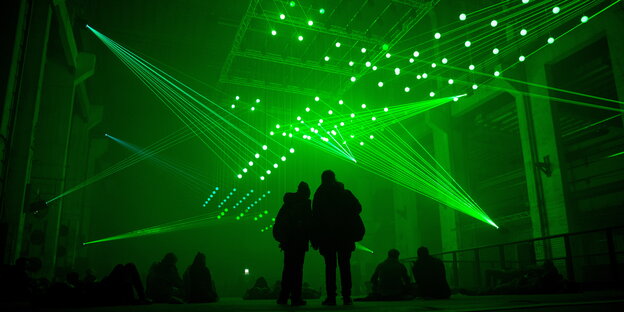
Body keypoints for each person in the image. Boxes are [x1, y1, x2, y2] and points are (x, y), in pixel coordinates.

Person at [312, 170, 362, 305]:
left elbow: (315, 218)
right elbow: (358, 208)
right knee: (345, 266)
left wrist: (315, 239)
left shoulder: (319, 195)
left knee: (330, 267)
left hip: (327, 238)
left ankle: (331, 296)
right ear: (335, 178)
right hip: (345, 236)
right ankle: (347, 295)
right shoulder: (344, 193)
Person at [273, 181, 312, 306]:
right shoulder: (305, 204)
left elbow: (279, 221)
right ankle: (296, 297)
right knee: (297, 270)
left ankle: (283, 297)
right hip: (299, 242)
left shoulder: (288, 203)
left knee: (288, 269)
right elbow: (308, 224)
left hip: (288, 242)